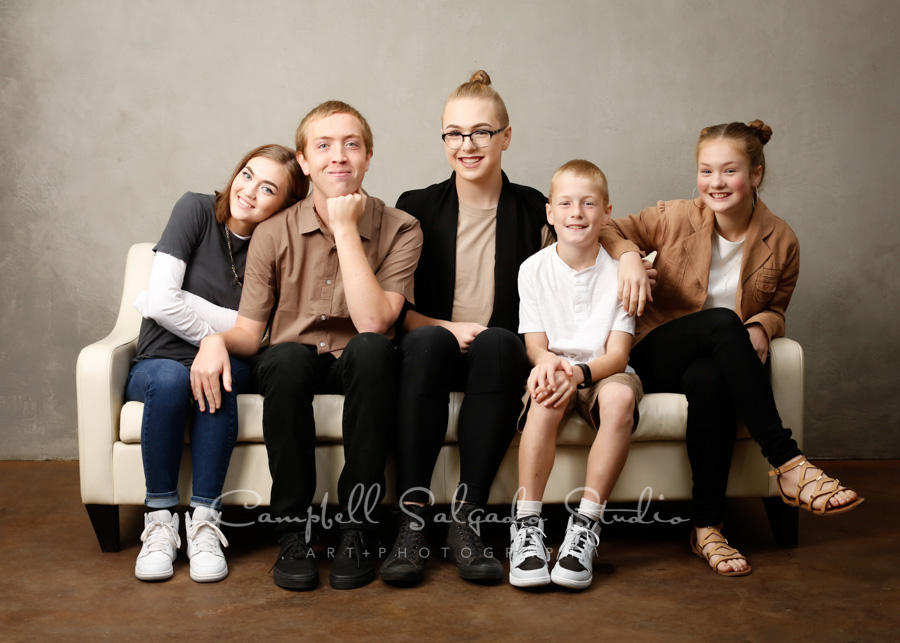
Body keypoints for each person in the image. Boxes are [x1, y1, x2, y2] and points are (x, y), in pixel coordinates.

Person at [381, 72, 639, 585]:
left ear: (506, 136)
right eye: (454, 133)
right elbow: (398, 307)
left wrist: (628, 253)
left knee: (499, 341)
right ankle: (411, 522)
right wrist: (445, 327)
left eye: (481, 132)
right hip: (433, 343)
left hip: (500, 357)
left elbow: (586, 223)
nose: (467, 145)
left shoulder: (530, 207)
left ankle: (467, 520)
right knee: (427, 339)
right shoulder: (415, 205)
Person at [611, 120, 862, 576]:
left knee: (710, 379)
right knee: (723, 323)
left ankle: (706, 528)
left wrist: (765, 324)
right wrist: (630, 256)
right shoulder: (674, 217)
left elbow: (778, 307)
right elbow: (607, 228)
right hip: (655, 352)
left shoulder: (781, 240)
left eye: (729, 171)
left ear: (757, 174)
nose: (716, 183)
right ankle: (788, 461)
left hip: (718, 362)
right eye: (706, 171)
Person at [189, 101, 423, 591]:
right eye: (324, 145)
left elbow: (376, 321)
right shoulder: (273, 232)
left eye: (351, 144)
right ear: (304, 160)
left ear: (368, 156)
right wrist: (215, 339)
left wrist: (344, 229)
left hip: (362, 362)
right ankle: (293, 529)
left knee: (373, 347)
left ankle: (357, 527)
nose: (338, 156)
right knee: (288, 357)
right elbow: (251, 333)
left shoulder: (402, 227)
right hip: (293, 362)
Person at [127, 144, 308, 583]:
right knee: (173, 380)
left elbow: (259, 336)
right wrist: (214, 334)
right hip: (158, 359)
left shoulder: (278, 245)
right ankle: (161, 521)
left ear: (285, 204)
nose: (248, 191)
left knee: (219, 379)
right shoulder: (195, 210)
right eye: (246, 174)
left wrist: (176, 306)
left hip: (232, 362)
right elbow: (163, 304)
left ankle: (206, 522)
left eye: (268, 188)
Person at [508, 160, 643, 590]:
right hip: (556, 364)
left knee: (620, 398)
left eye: (588, 203)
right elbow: (534, 344)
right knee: (546, 396)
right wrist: (548, 364)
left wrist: (579, 373)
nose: (576, 212)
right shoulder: (533, 269)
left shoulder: (620, 271)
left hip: (601, 370)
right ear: (549, 212)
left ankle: (584, 527)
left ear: (607, 213)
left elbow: (618, 356)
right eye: (565, 203)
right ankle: (526, 528)